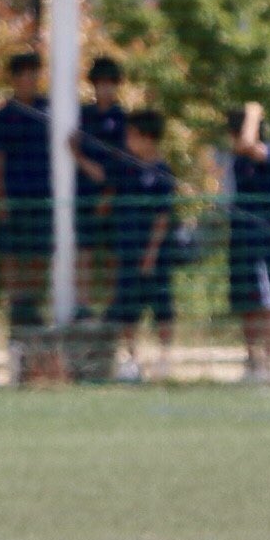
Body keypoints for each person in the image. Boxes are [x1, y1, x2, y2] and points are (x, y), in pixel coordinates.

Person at [106, 110, 176, 383]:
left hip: (155, 255)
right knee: (127, 308)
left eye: (132, 135)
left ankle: (164, 360)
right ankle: (131, 359)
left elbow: (162, 217)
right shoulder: (127, 168)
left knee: (162, 306)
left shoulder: (162, 172)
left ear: (147, 137)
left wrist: (151, 254)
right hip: (127, 250)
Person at [0, 52, 51, 334]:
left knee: (39, 253)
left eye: (33, 74)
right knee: (12, 253)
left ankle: (33, 306)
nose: (29, 80)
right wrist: (2, 200)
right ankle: (17, 308)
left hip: (44, 199)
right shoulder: (2, 118)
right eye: (22, 74)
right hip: (14, 199)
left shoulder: (50, 111)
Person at [226, 103, 270, 383]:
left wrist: (253, 112)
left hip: (262, 239)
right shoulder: (239, 158)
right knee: (245, 301)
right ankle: (252, 360)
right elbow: (242, 146)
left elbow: (250, 143)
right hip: (240, 239)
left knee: (265, 301)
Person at [70, 58, 127, 315]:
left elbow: (121, 163)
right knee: (85, 251)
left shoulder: (123, 119)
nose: (105, 89)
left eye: (110, 84)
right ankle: (83, 304)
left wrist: (109, 192)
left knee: (115, 253)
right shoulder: (83, 116)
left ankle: (115, 304)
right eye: (100, 83)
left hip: (115, 196)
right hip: (85, 196)